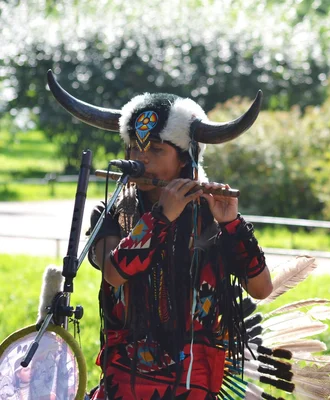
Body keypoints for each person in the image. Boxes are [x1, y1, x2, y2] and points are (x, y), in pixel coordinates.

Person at [47, 71, 273, 399]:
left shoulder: (211, 217)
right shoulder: (113, 212)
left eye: (155, 150)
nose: (139, 159)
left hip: (195, 374)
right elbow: (114, 273)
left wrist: (233, 224)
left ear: (185, 157)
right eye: (133, 148)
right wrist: (161, 217)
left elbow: (261, 287)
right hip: (127, 375)